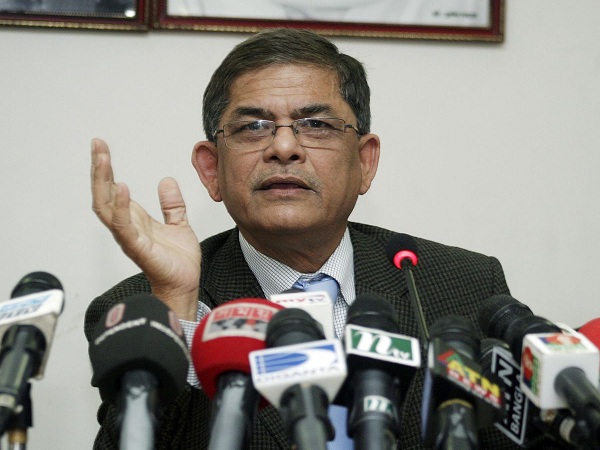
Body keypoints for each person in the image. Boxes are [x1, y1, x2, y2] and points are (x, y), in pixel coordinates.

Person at [85, 28, 535, 449]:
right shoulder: (136, 309)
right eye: (253, 127)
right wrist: (177, 305)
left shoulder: (465, 285)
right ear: (211, 169)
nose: (284, 148)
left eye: (316, 124)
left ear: (365, 162)